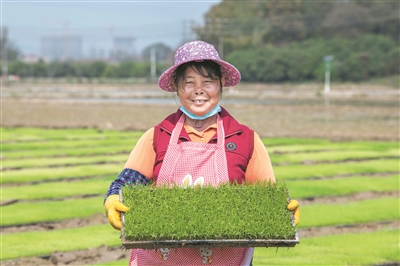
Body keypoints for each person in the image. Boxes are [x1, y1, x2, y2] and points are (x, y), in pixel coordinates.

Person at [104, 40, 300, 266]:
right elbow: (126, 183)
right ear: (177, 87)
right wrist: (113, 199)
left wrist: (282, 212)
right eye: (189, 83)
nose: (199, 90)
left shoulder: (245, 140)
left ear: (221, 84)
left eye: (208, 82)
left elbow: (265, 200)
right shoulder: (157, 136)